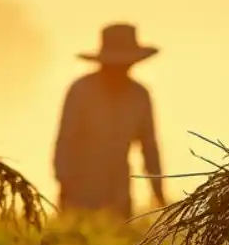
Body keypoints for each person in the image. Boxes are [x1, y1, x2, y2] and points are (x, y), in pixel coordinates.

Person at [53, 23, 166, 221]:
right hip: (80, 194)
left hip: (119, 195)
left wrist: (158, 193)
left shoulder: (139, 96)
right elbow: (65, 141)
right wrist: (65, 183)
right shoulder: (81, 91)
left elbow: (149, 147)